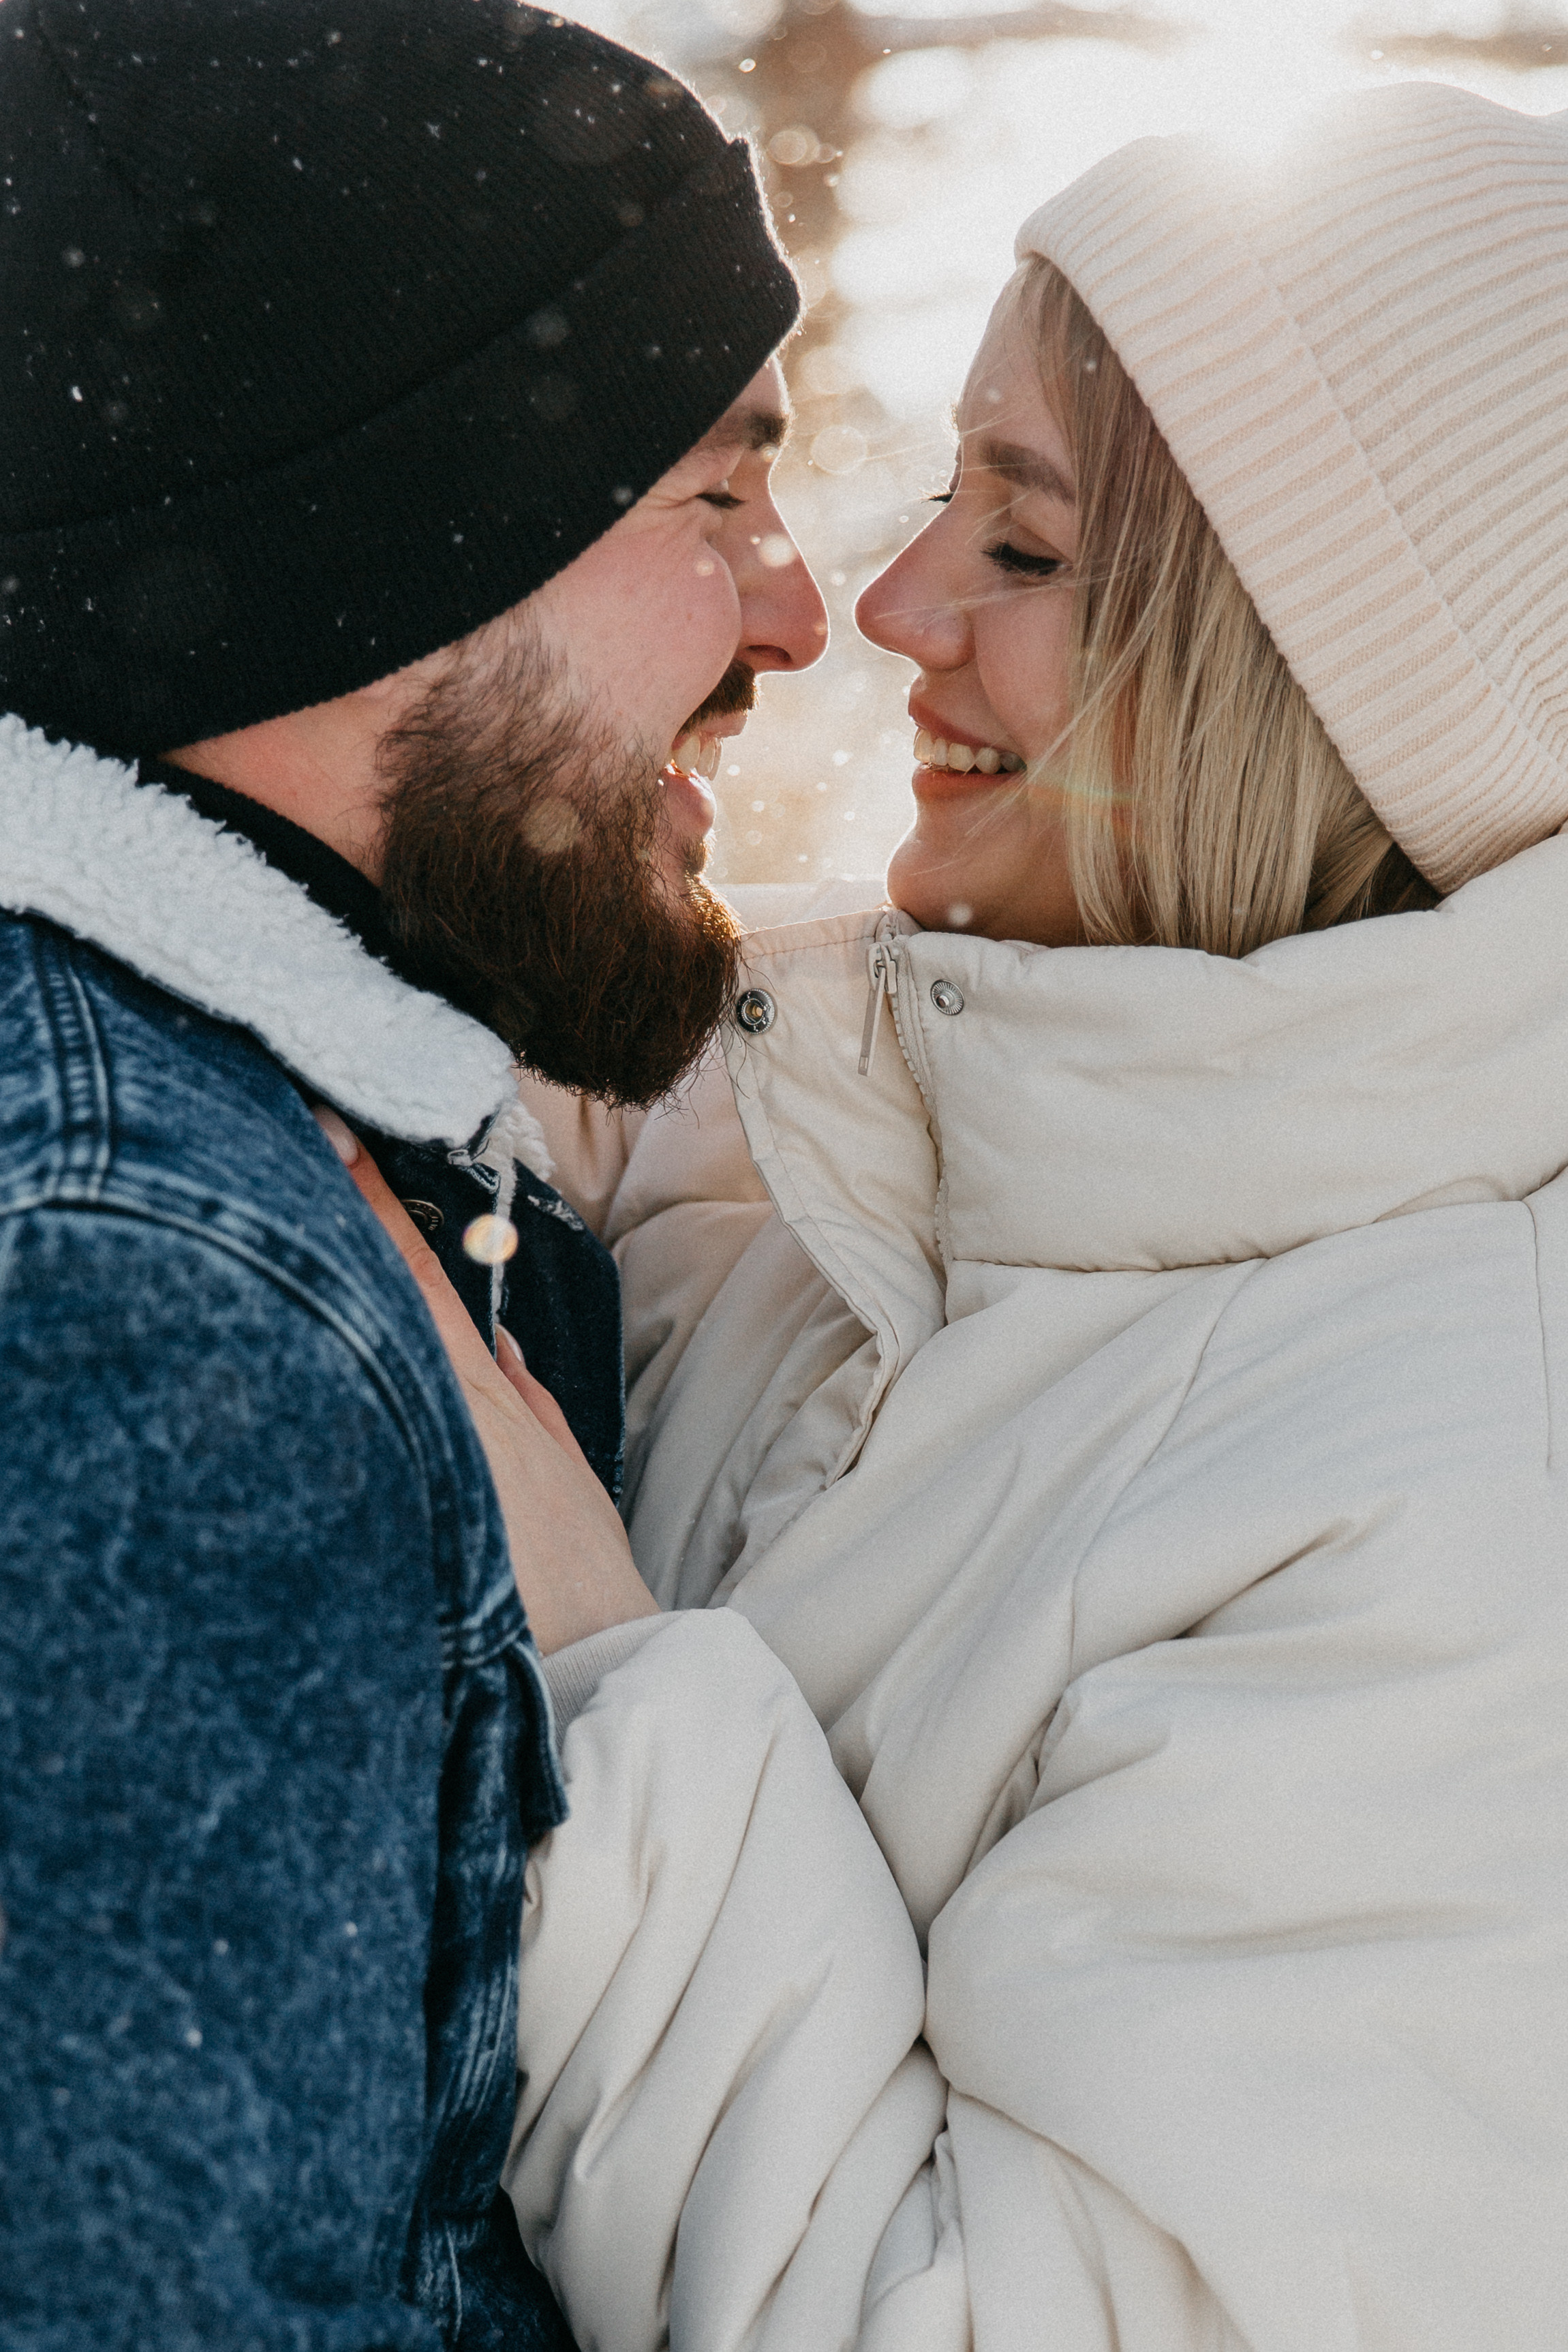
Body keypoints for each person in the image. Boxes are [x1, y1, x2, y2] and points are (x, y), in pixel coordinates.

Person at [433, 79, 1568, 2350]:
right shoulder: (879, 1113)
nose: (887, 603)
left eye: (1026, 550)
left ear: (1302, 689)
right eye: (946, 496)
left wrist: (599, 1670)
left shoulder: (1462, 1491)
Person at [0, 2, 835, 2344]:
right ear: (388, 543)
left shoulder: (282, 1139)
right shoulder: (141, 1321)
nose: (803, 608)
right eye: (718, 494)